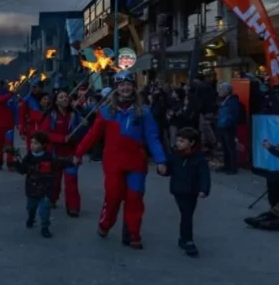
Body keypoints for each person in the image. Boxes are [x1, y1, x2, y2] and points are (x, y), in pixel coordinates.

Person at [74, 71, 167, 250]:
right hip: (114, 163)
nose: (125, 88)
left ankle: (133, 232)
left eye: (128, 84)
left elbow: (152, 137)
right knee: (114, 196)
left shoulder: (143, 112)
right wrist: (78, 153)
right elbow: (92, 135)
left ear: (133, 87)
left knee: (135, 198)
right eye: (122, 85)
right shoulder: (106, 112)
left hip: (136, 163)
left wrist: (161, 160)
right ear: (116, 88)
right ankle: (105, 223)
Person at [13, 131, 73, 238]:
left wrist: (72, 161)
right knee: (31, 208)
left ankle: (45, 227)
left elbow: (60, 163)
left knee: (45, 211)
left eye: (36, 143)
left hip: (46, 189)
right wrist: (16, 161)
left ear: (44, 145)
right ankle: (31, 218)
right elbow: (22, 170)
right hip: (32, 189)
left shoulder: (49, 157)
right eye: (31, 142)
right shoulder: (29, 157)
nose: (32, 145)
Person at [161, 127, 210, 256]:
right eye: (178, 140)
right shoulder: (174, 156)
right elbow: (169, 170)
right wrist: (163, 170)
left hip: (192, 191)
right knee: (186, 214)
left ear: (191, 143)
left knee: (187, 214)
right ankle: (187, 240)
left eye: (182, 141)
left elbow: (204, 174)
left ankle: (185, 239)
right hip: (178, 190)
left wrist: (204, 189)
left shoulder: (199, 158)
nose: (178, 143)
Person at [44, 88, 84, 216]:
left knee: (71, 181)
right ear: (56, 102)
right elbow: (45, 134)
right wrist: (61, 139)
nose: (65, 99)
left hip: (71, 154)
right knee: (55, 181)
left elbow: (83, 133)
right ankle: (52, 198)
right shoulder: (50, 116)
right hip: (55, 154)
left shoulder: (75, 114)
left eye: (66, 97)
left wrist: (84, 126)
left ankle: (73, 207)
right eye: (61, 97)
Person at [216, 82, 240, 174]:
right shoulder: (224, 100)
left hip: (228, 126)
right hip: (222, 126)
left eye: (221, 89)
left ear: (227, 91)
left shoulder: (232, 101)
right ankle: (227, 165)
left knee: (230, 147)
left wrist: (229, 123)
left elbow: (234, 114)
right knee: (225, 147)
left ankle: (233, 167)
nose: (219, 91)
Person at [18, 79, 45, 151]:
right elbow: (21, 116)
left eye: (35, 87)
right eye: (32, 87)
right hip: (31, 128)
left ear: (40, 88)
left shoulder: (46, 98)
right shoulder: (26, 100)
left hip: (44, 127)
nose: (33, 89)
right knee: (31, 148)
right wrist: (21, 130)